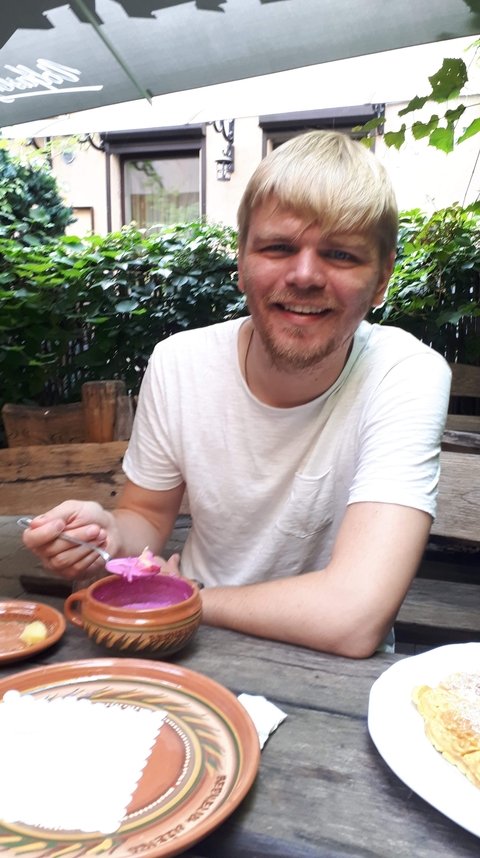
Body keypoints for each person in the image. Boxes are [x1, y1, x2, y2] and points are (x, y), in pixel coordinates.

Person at [23, 130, 451, 658]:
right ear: (243, 264)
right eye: (278, 247)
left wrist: (191, 597)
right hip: (187, 639)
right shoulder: (179, 362)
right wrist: (108, 533)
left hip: (324, 662)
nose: (305, 275)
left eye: (340, 254)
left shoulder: (405, 373)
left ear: (383, 279)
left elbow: (353, 616)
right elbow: (150, 517)